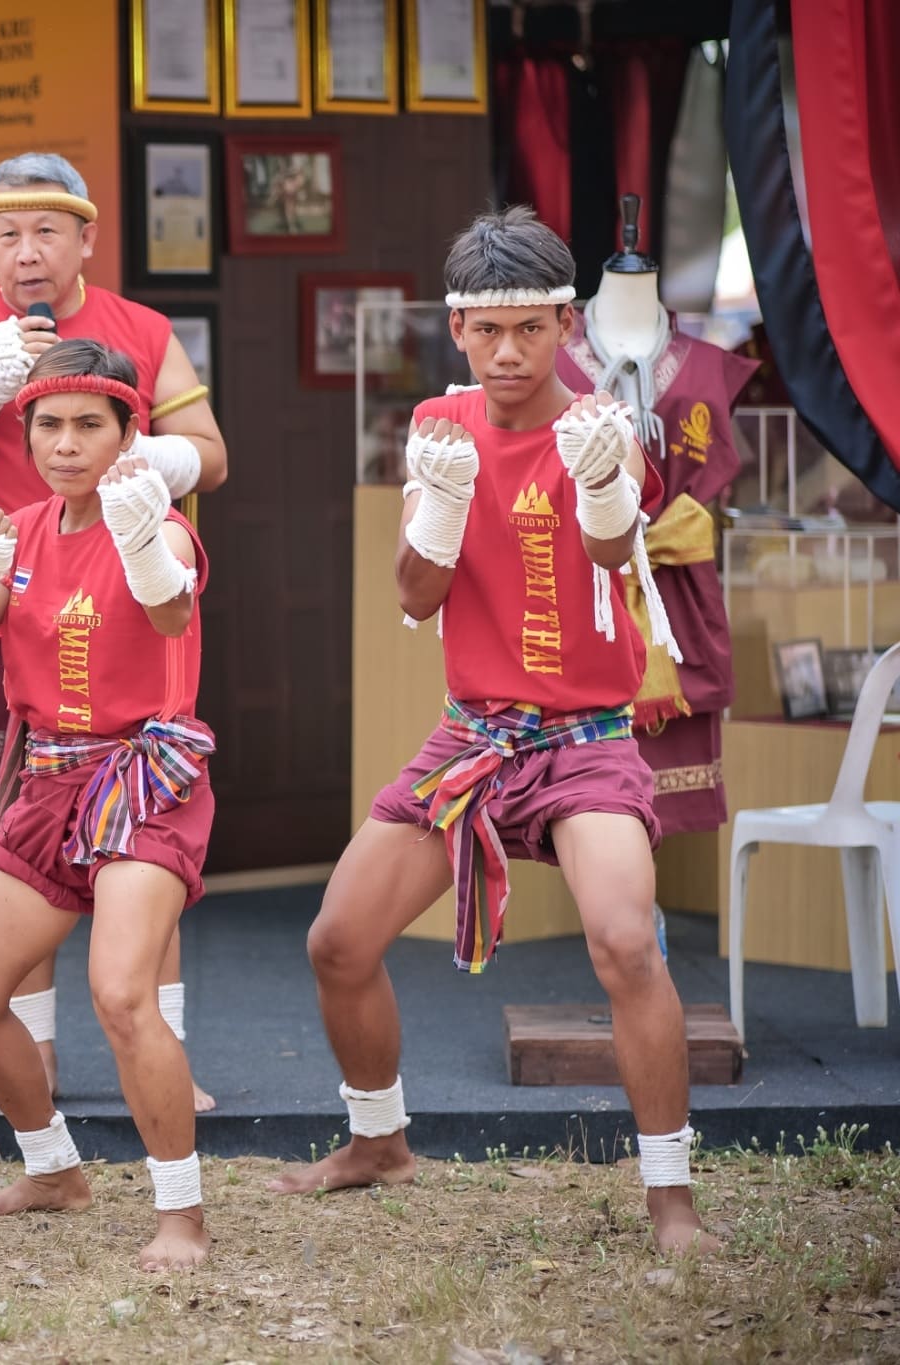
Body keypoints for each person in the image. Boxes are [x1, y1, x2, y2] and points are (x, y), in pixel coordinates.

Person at [269, 206, 714, 1256]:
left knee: (620, 943)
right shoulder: (438, 422)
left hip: (589, 737)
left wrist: (603, 479)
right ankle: (376, 1142)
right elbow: (415, 599)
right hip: (471, 734)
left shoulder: (604, 424)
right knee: (335, 943)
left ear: (566, 322)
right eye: (485, 330)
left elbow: (612, 557)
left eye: (528, 327)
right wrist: (434, 504)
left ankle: (669, 1197)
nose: (506, 351)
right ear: (456, 329)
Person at [0, 151, 227, 1107]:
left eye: (45, 231)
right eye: (6, 234)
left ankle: (165, 1065)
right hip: (3, 600)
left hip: (129, 589)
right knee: (13, 833)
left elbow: (211, 455)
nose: (26, 253)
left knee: (145, 832)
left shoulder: (142, 329)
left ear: (86, 237)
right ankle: (37, 1067)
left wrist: (133, 461)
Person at [0, 340, 214, 1272]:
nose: (65, 442)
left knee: (122, 993)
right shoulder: (10, 529)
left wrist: (139, 539)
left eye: (89, 423)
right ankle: (53, 1169)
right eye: (48, 424)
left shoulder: (160, 524)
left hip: (145, 778)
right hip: (48, 781)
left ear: (130, 433)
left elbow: (170, 612)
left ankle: (182, 1213)